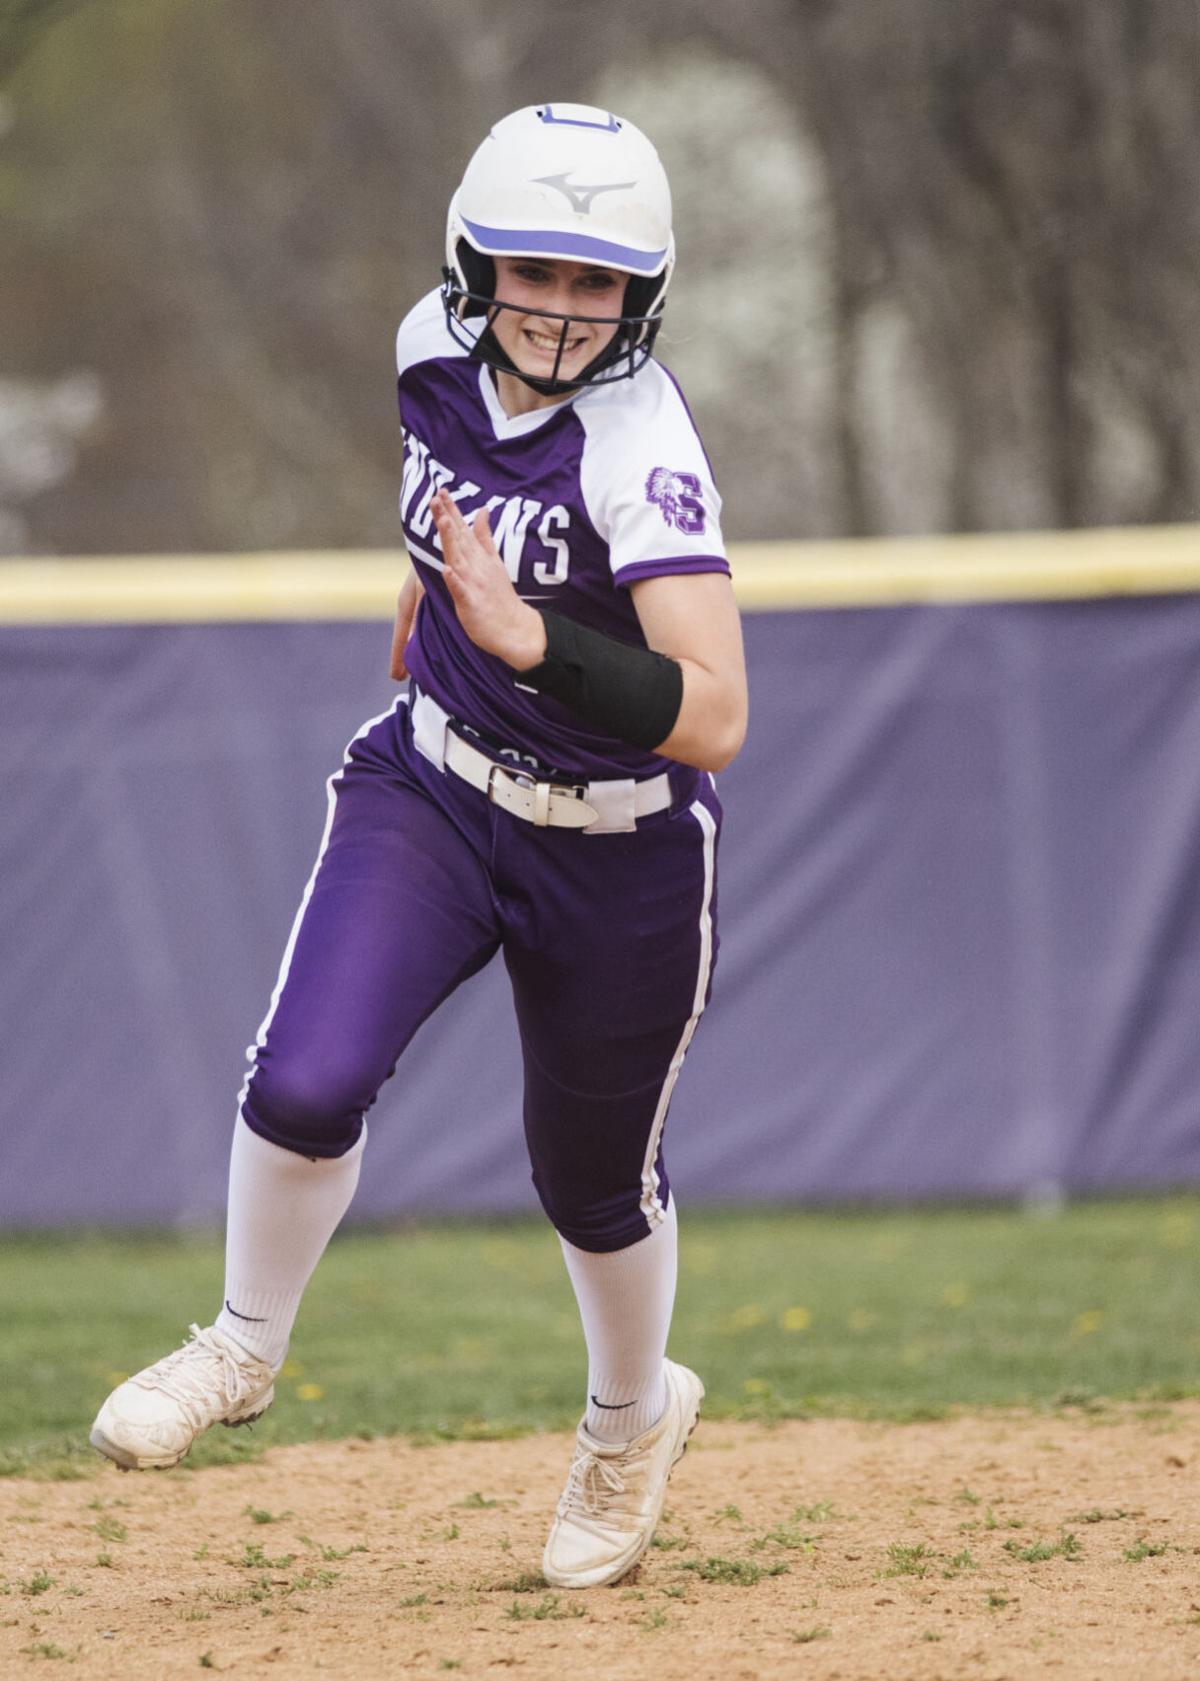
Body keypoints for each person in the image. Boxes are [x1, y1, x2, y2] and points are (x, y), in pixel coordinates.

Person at [91, 101, 747, 1591]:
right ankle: (243, 1346)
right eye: (536, 269)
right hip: (439, 785)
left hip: (619, 843)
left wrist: (532, 642)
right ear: (471, 263)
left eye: (598, 283)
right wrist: (437, 619)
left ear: (641, 296)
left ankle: (630, 1418)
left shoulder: (640, 445)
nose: (564, 310)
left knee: (591, 1182)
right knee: (307, 1074)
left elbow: (715, 715)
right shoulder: (424, 352)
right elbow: (442, 524)